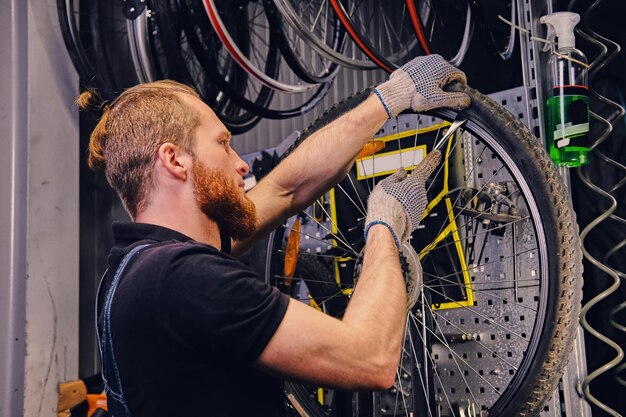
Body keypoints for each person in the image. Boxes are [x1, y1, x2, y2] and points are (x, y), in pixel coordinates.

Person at [79, 54, 469, 417]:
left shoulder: (134, 271)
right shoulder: (181, 278)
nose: (241, 163)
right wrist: (384, 226)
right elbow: (370, 357)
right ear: (174, 160)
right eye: (223, 144)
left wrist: (391, 96)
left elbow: (285, 191)